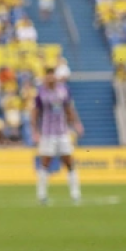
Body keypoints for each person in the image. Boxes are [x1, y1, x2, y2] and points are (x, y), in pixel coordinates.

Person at [32, 65, 83, 204]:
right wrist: (35, 131)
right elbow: (35, 113)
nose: (50, 77)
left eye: (52, 74)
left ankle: (75, 194)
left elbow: (69, 109)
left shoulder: (64, 90)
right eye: (48, 75)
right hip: (47, 134)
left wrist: (76, 124)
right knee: (45, 163)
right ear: (45, 77)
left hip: (62, 133)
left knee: (69, 161)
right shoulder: (40, 93)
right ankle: (41, 195)